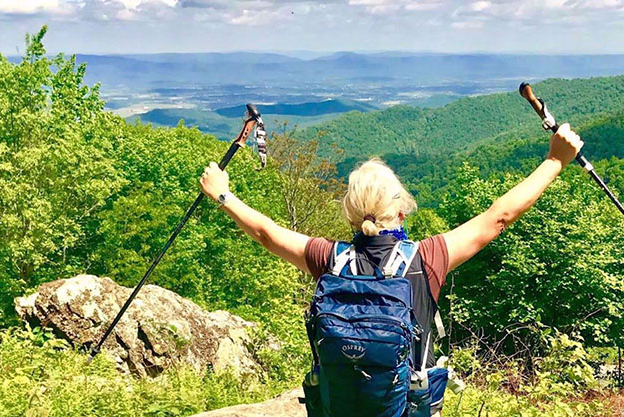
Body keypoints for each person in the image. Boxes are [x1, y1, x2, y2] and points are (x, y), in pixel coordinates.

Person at [199, 124, 583, 416]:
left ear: (349, 212)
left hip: (340, 405)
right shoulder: (426, 258)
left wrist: (223, 194)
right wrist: (554, 160)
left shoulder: (328, 258)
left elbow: (267, 233)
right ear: (401, 209)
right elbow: (499, 217)